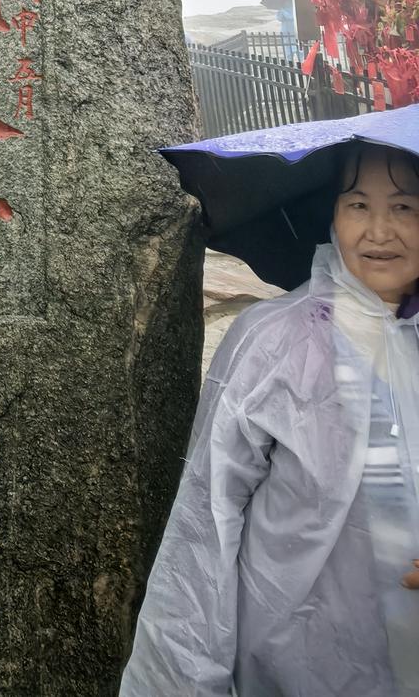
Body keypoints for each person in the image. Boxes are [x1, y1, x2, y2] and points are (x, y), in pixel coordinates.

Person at [121, 140, 419, 697]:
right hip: (295, 662)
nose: (378, 230)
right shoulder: (273, 340)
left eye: (404, 207)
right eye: (358, 205)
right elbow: (205, 524)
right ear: (331, 213)